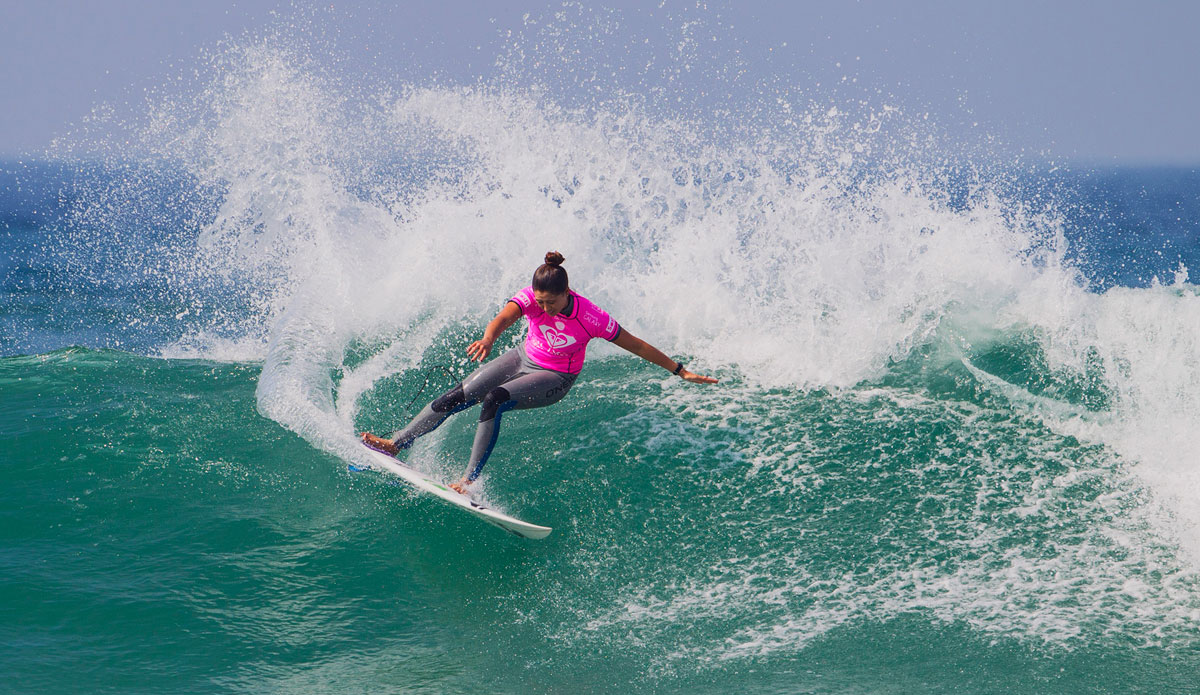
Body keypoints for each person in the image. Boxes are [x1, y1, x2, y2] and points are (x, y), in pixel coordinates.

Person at [360, 251, 718, 494]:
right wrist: (488, 338)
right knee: (456, 396)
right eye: (539, 301)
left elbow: (637, 345)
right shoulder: (531, 297)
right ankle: (395, 443)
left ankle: (468, 481)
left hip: (555, 378)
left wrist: (680, 371)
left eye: (551, 303)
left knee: (494, 400)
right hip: (521, 357)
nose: (543, 308)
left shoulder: (591, 317)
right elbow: (505, 316)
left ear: (567, 294)